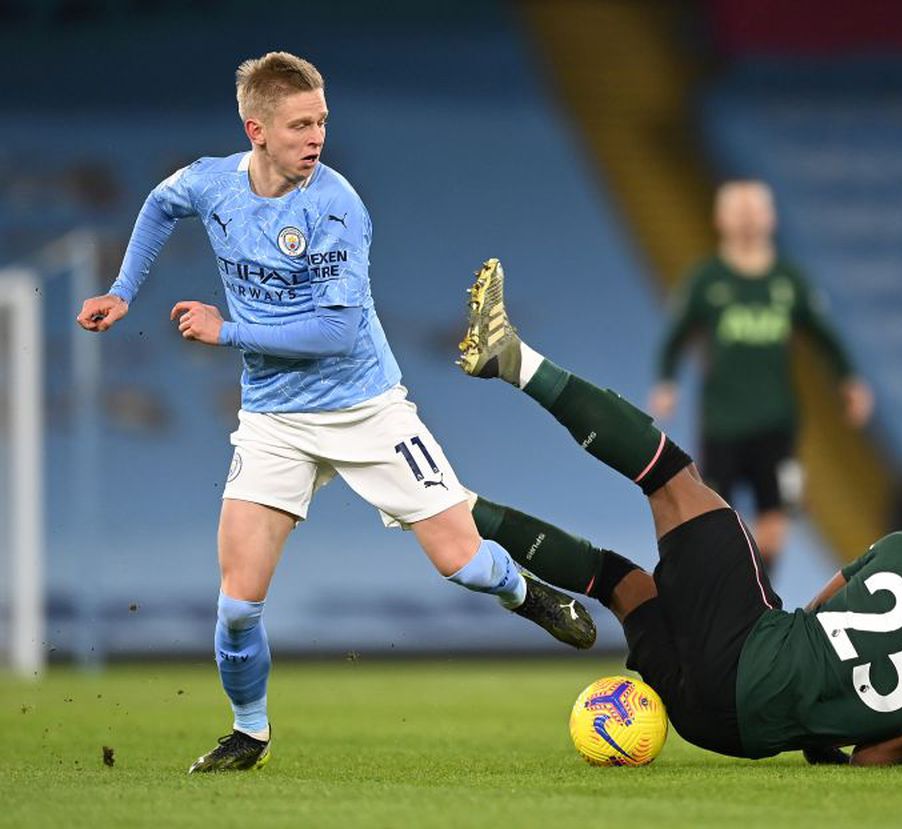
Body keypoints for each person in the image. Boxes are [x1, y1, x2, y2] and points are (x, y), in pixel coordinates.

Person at [74, 53, 595, 774]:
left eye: (321, 119)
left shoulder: (337, 204)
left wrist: (226, 331)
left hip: (366, 409)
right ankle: (248, 731)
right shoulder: (212, 183)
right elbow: (162, 203)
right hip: (273, 421)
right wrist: (124, 290)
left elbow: (335, 334)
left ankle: (524, 590)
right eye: (299, 124)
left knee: (464, 562)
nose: (315, 135)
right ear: (255, 129)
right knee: (235, 609)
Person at [457, 259, 902, 765]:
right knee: (621, 582)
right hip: (724, 731)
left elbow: (821, 609)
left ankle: (512, 360)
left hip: (753, 653)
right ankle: (451, 510)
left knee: (671, 477)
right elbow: (872, 756)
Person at [650, 180, 873, 568]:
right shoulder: (707, 280)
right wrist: (667, 381)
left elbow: (825, 336)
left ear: (771, 217)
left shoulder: (789, 281)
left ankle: (760, 604)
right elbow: (676, 336)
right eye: (740, 209)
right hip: (722, 421)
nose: (749, 218)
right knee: (714, 518)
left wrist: (849, 381)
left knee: (776, 517)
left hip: (776, 421)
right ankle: (727, 596)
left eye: (756, 209)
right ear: (721, 218)